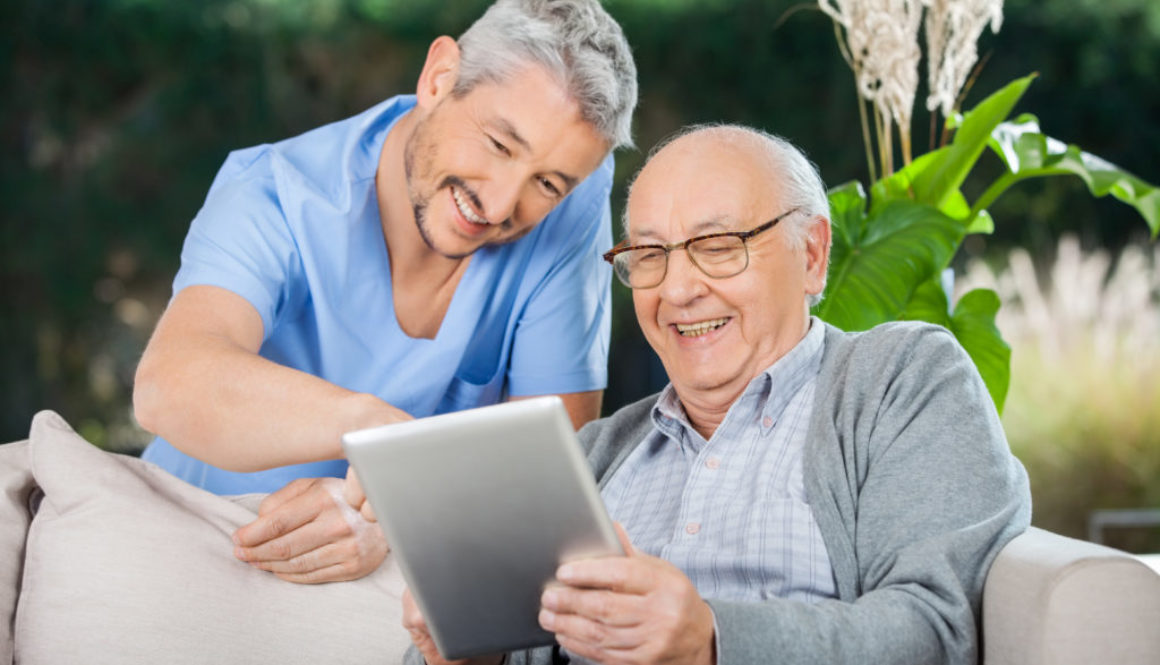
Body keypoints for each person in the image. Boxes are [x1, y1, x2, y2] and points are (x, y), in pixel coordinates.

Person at [400, 124, 1031, 665]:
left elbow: (933, 634)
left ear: (811, 254)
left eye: (717, 247)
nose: (676, 290)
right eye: (648, 255)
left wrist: (710, 641)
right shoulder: (596, 455)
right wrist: (473, 652)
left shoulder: (899, 380)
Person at [131, 0, 637, 584]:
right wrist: (379, 434)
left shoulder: (570, 203)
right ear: (439, 78)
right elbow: (169, 385)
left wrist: (401, 513)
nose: (499, 206)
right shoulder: (275, 194)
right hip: (204, 544)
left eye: (546, 183)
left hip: (388, 586)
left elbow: (549, 467)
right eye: (499, 145)